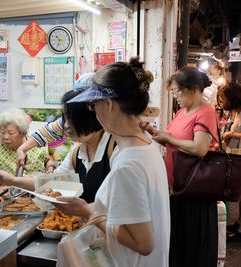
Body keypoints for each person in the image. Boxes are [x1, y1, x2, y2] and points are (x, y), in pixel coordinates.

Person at [54, 58, 169, 266]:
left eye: (92, 105)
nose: (94, 112)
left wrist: (88, 211)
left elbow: (143, 244)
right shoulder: (145, 145)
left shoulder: (128, 165)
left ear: (107, 104)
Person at [0, 76, 114, 203]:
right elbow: (52, 182)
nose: (66, 126)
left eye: (72, 119)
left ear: (94, 116)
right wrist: (12, 181)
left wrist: (86, 211)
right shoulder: (77, 152)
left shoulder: (114, 150)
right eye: (65, 118)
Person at [152, 66, 218, 267]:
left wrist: (169, 138)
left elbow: (199, 148)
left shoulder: (206, 112)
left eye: (178, 91)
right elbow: (175, 141)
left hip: (195, 193)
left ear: (193, 89)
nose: (176, 97)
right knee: (178, 249)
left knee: (191, 251)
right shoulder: (182, 111)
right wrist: (156, 134)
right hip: (178, 190)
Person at [218, 82, 241, 241]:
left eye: (224, 98)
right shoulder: (236, 112)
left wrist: (231, 134)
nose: (222, 102)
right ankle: (238, 224)